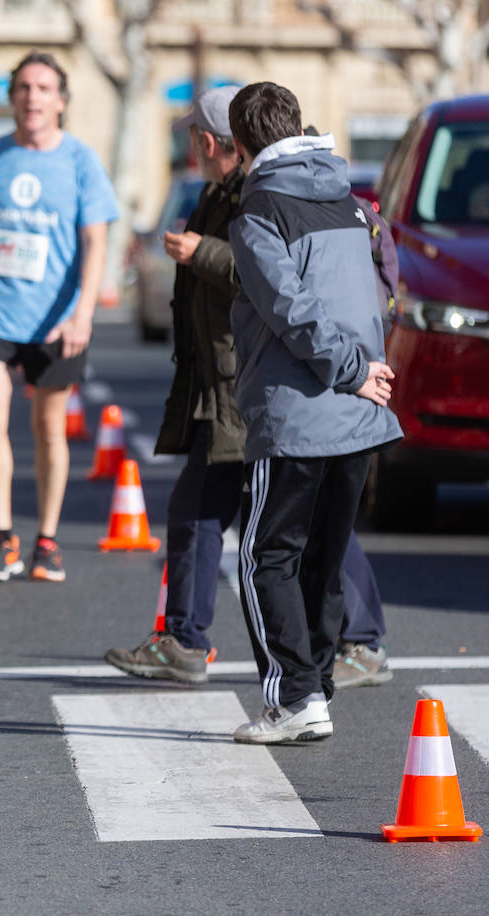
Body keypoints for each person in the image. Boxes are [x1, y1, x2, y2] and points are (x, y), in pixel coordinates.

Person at [103, 90, 394, 688]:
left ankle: (313, 673)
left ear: (224, 142)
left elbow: (281, 292)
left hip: (270, 387)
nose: (193, 148)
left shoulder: (266, 198)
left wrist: (355, 369)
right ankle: (250, 656)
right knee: (270, 524)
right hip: (262, 384)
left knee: (287, 541)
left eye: (196, 138)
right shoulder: (295, 190)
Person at [225, 82, 402, 744]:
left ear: (241, 147)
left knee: (266, 555)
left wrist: (350, 369)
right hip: (361, 413)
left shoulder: (259, 212)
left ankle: (294, 697)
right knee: (323, 562)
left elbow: (291, 310)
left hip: (299, 411)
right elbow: (380, 292)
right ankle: (316, 687)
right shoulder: (351, 203)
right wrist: (366, 371)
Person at [0, 51, 118, 583]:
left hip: (55, 319)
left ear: (61, 101)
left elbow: (96, 242)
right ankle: (2, 537)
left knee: (50, 429)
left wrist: (82, 313)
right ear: (12, 98)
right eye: (23, 87)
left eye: (44, 88)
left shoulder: (80, 161)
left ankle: (46, 540)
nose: (32, 97)